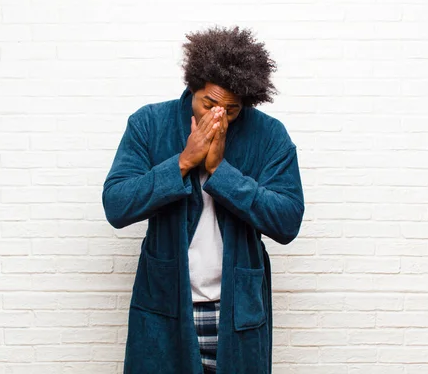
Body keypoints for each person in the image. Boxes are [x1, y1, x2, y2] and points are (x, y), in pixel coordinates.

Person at [102, 26, 305, 374]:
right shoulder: (149, 124)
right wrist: (182, 162)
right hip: (165, 307)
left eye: (231, 110)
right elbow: (117, 205)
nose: (218, 117)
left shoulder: (269, 135)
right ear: (191, 87)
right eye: (209, 104)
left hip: (236, 312)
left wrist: (220, 171)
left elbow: (287, 221)